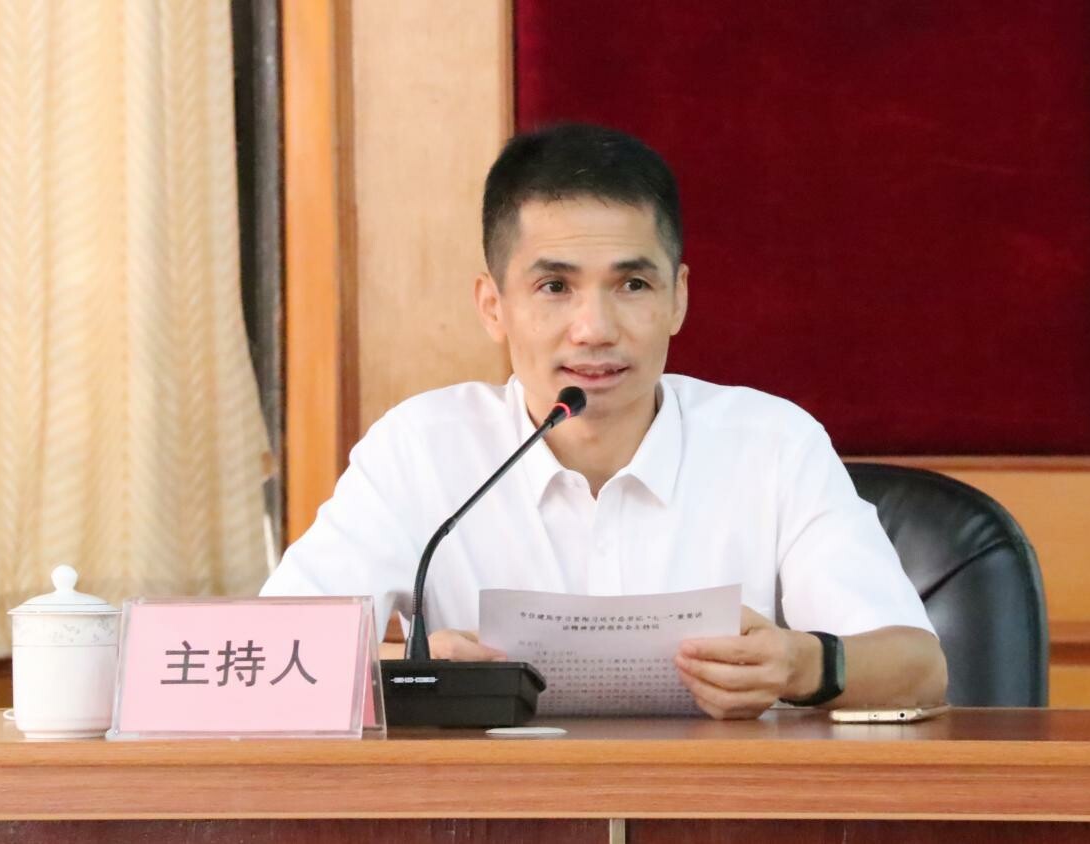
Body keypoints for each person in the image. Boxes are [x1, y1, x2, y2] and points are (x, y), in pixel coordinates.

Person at [262, 123, 947, 718]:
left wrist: (803, 666)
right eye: (554, 287)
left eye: (632, 285)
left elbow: (919, 668)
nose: (594, 329)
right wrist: (407, 671)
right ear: (493, 306)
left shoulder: (772, 444)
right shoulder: (419, 449)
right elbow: (267, 654)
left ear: (678, 299)